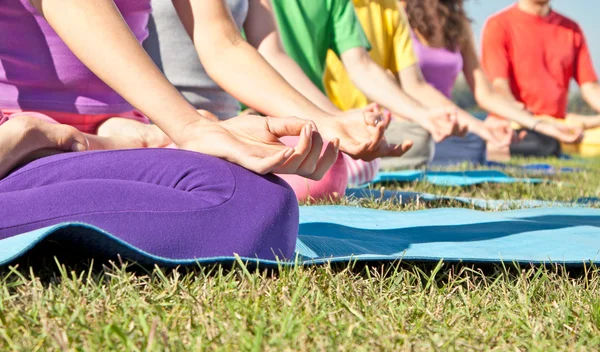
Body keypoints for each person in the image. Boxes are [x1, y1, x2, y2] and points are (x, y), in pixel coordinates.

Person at [0, 0, 347, 261]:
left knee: (268, 197)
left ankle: (84, 144)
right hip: (14, 134)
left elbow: (222, 43)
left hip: (119, 133)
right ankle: (45, 142)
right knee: (251, 208)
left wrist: (327, 122)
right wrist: (190, 127)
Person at [144, 0, 412, 194]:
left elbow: (270, 55)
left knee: (324, 162)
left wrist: (329, 120)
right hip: (164, 124)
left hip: (226, 127)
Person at [269, 0, 468, 172]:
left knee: (416, 138)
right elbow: (271, 58)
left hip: (317, 122)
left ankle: (347, 158)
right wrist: (335, 118)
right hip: (264, 113)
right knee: (320, 168)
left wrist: (423, 115)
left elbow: (361, 65)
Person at [325, 0, 515, 167]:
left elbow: (482, 90)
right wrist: (422, 117)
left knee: (470, 141)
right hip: (398, 116)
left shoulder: (453, 22)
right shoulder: (398, 9)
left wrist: (523, 121)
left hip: (437, 118)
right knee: (420, 137)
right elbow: (392, 83)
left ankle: (356, 159)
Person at [399, 0, 584, 162]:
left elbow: (485, 93)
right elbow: (417, 87)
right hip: (408, 123)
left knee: (542, 142)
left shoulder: (457, 22)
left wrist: (540, 125)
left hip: (449, 125)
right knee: (473, 143)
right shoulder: (399, 13)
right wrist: (478, 126)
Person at [482, 0, 597, 158]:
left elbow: (590, 87)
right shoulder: (498, 25)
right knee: (546, 144)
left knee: (554, 140)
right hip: (515, 122)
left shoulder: (572, 29)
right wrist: (527, 118)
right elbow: (499, 87)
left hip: (559, 124)